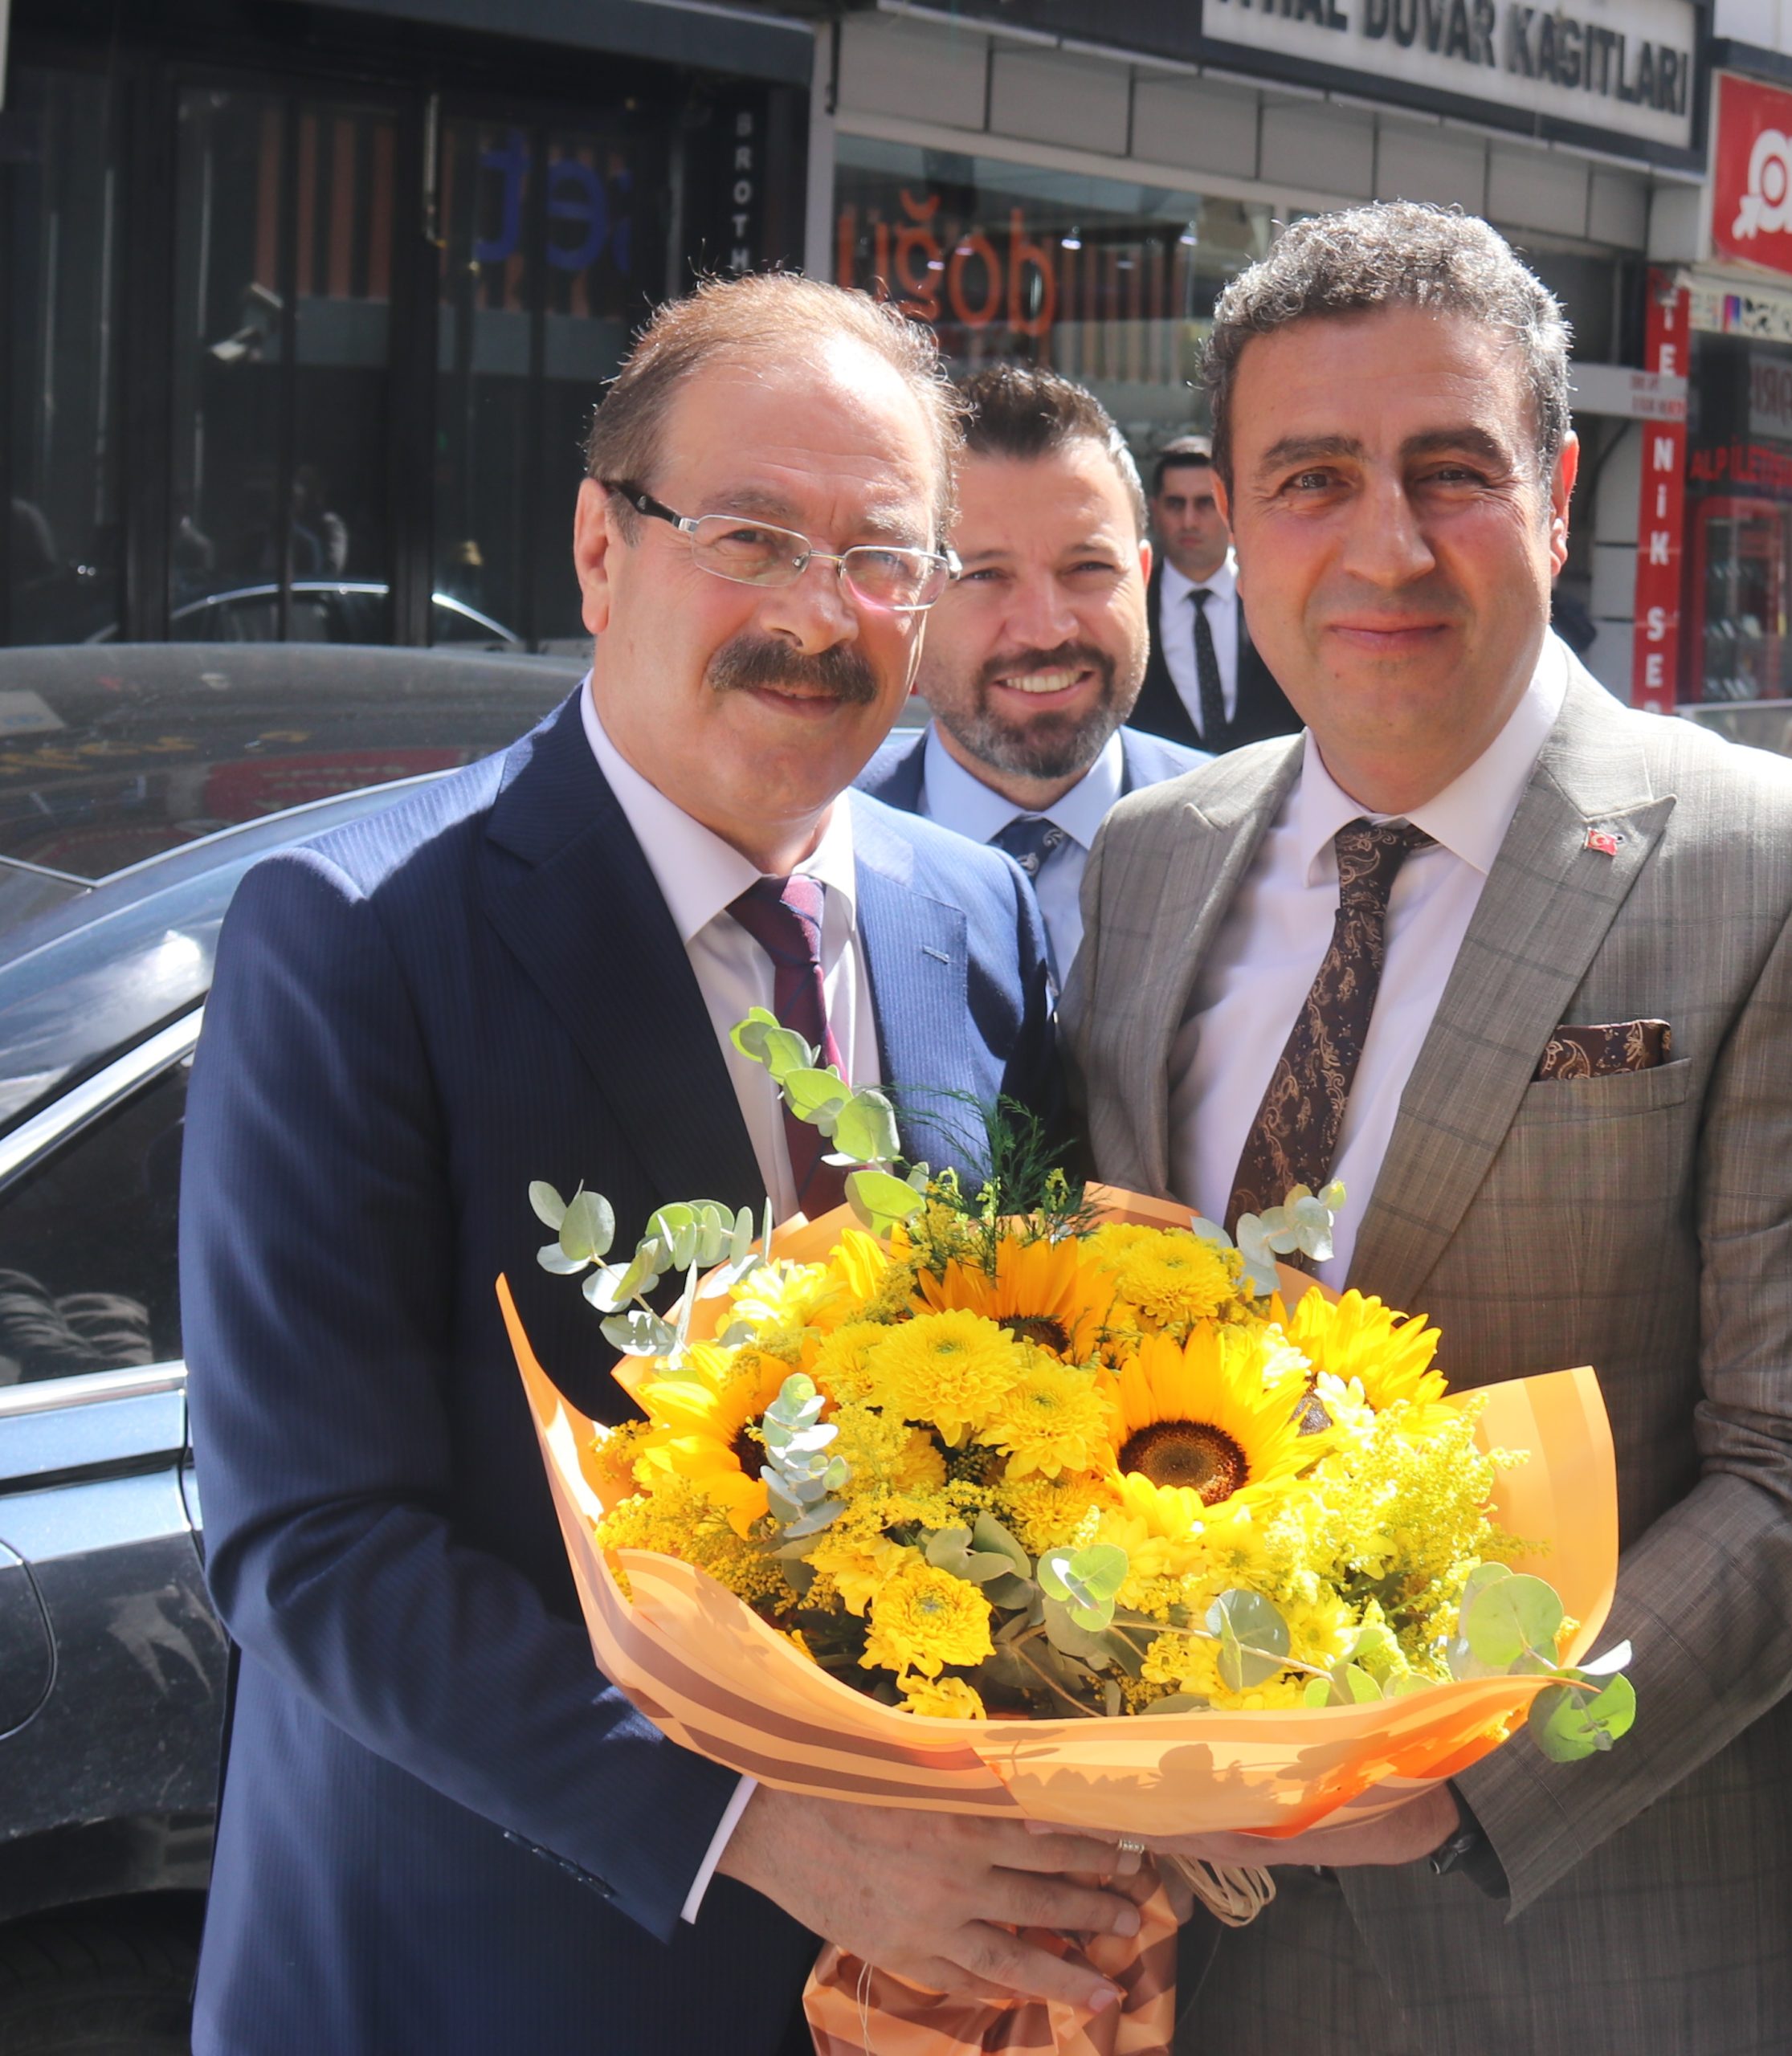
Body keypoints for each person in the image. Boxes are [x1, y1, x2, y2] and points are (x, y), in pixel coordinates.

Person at [181, 275, 1146, 2056]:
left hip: (915, 1993)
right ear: (599, 549)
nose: (815, 613)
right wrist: (760, 1829)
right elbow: (311, 1542)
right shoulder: (360, 938)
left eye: (880, 556)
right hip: (488, 1981)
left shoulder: (977, 919)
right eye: (749, 537)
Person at [1067, 202, 1792, 2055]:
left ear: (1552, 496)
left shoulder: (1787, 868)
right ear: (1227, 519)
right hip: (1215, 1966)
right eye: (1310, 477)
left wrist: (1464, 1765)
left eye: (1448, 470)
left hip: (1617, 1953)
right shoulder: (1146, 864)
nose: (1384, 542)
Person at [859, 362, 1206, 987]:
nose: (1045, 630)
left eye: (1088, 568)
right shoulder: (808, 845)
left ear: (1143, 577)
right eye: (985, 575)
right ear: (912, 595)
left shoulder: (1262, 844)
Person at [1128, 430, 1300, 749]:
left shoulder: (1279, 597)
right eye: (1175, 504)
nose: (1189, 521)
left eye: (1205, 503)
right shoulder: (1131, 606)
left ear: (1227, 506)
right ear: (1155, 510)